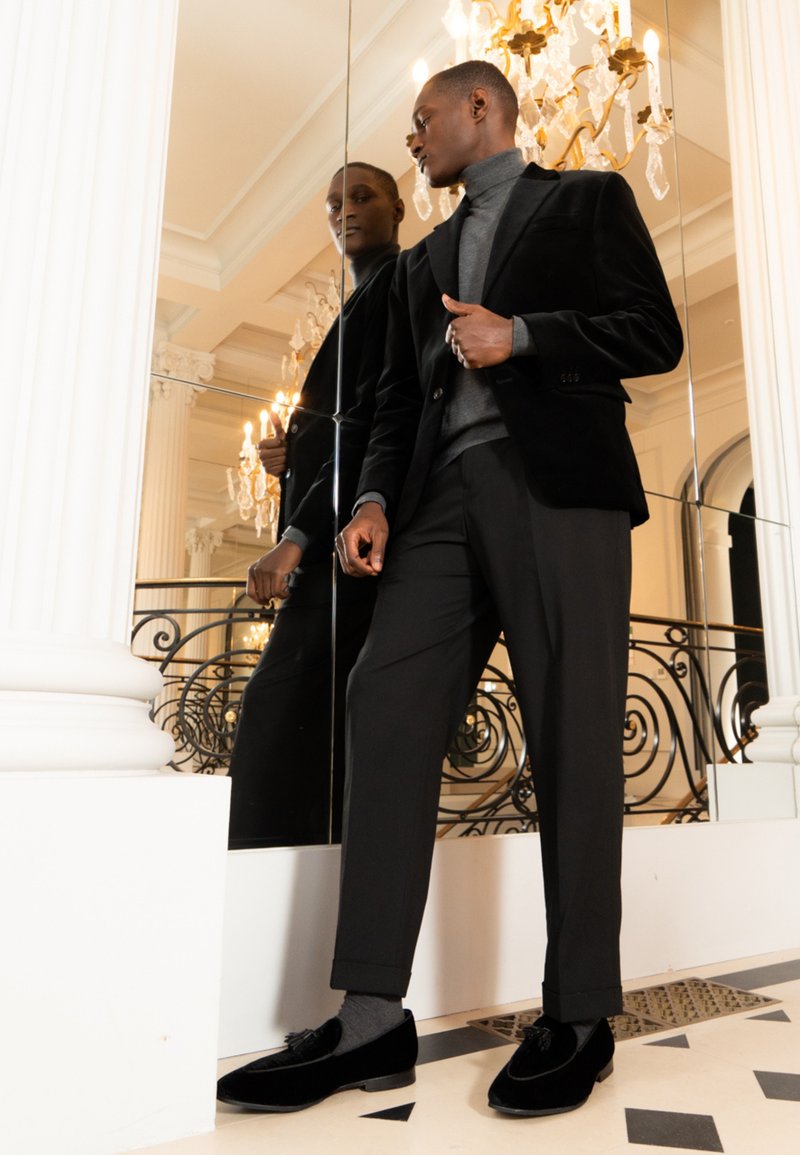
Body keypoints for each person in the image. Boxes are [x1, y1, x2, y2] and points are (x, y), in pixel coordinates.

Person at [218, 61, 683, 1116]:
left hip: (555, 488)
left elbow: (653, 332)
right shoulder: (419, 262)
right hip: (433, 504)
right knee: (383, 699)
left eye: (424, 120)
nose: (415, 138)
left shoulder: (587, 199)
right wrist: (372, 500)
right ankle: (371, 1018)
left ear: (482, 108)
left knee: (571, 726)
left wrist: (522, 335)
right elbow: (392, 403)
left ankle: (579, 1012)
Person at [226, 163, 405, 848]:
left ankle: (265, 883)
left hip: (349, 552)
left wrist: (296, 538)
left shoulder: (395, 283)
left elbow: (369, 423)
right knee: (308, 729)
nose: (344, 212)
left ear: (398, 209)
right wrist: (291, 458)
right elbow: (338, 430)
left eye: (361, 197)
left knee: (276, 715)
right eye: (333, 203)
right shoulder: (360, 300)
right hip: (332, 545)